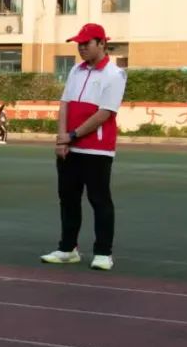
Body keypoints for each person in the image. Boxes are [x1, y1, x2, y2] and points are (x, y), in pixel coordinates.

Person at [41, 23, 127, 272]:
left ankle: (103, 253)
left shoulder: (115, 74)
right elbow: (65, 104)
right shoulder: (75, 71)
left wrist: (72, 135)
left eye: (86, 43)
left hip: (97, 149)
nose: (81, 48)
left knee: (99, 200)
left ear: (101, 43)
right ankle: (68, 249)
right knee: (68, 199)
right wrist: (62, 139)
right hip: (70, 148)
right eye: (78, 44)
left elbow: (105, 113)